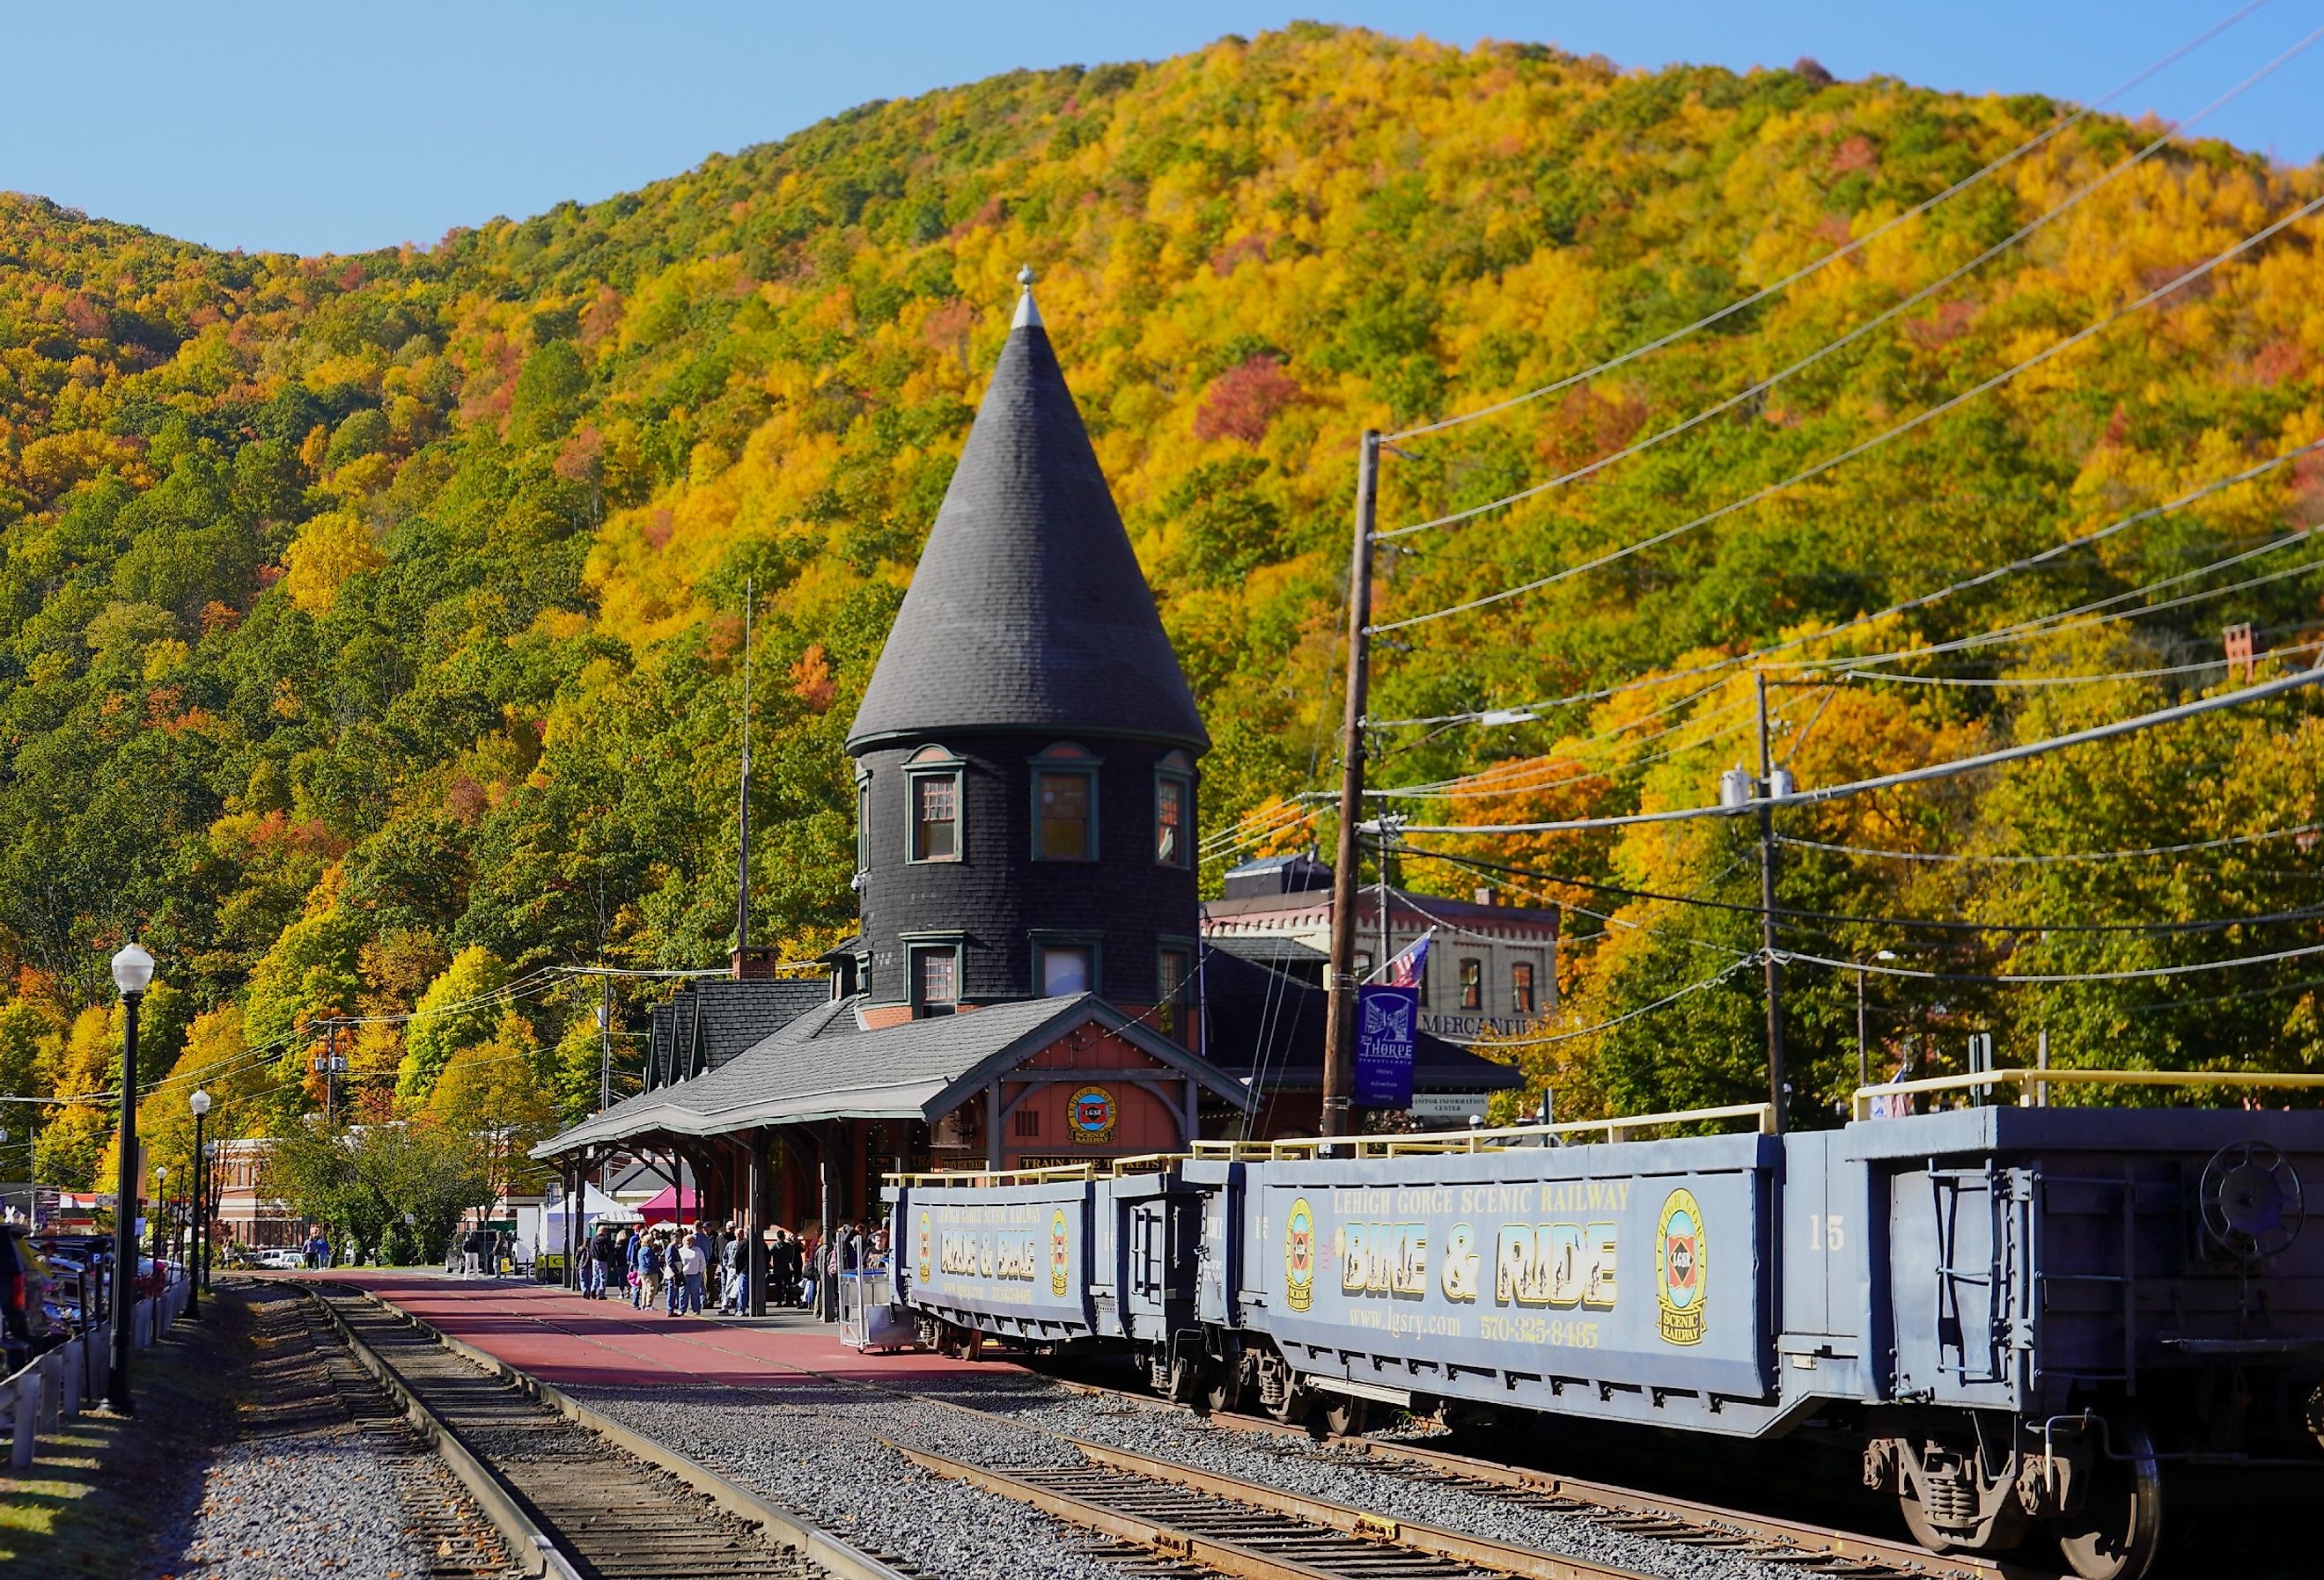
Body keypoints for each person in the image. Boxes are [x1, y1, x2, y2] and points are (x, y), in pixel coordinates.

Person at [675, 1229, 707, 1316]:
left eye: (690, 1241)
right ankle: (682, 1309)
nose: (688, 1242)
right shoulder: (680, 1251)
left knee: (695, 1293)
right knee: (683, 1293)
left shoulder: (698, 1250)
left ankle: (696, 1309)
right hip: (684, 1275)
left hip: (695, 1275)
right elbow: (678, 1263)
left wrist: (700, 1271)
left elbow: (703, 1262)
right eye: (687, 1241)